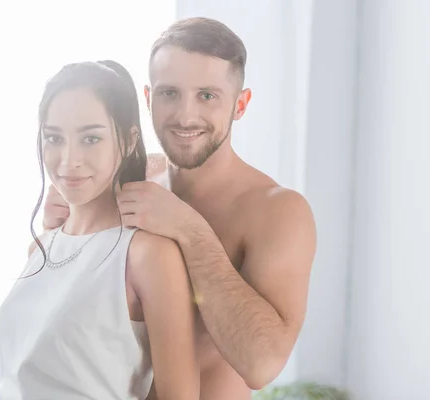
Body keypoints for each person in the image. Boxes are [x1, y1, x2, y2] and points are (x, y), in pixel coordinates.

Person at [43, 17, 317, 399]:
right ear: (148, 98)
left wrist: (189, 230)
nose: (186, 116)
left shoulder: (278, 211)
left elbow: (261, 364)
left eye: (207, 95)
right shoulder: (131, 177)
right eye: (170, 93)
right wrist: (62, 215)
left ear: (240, 104)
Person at [0, 60, 200, 400]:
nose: (68, 160)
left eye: (90, 138)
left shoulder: (147, 255)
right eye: (54, 138)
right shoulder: (41, 247)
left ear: (129, 139)